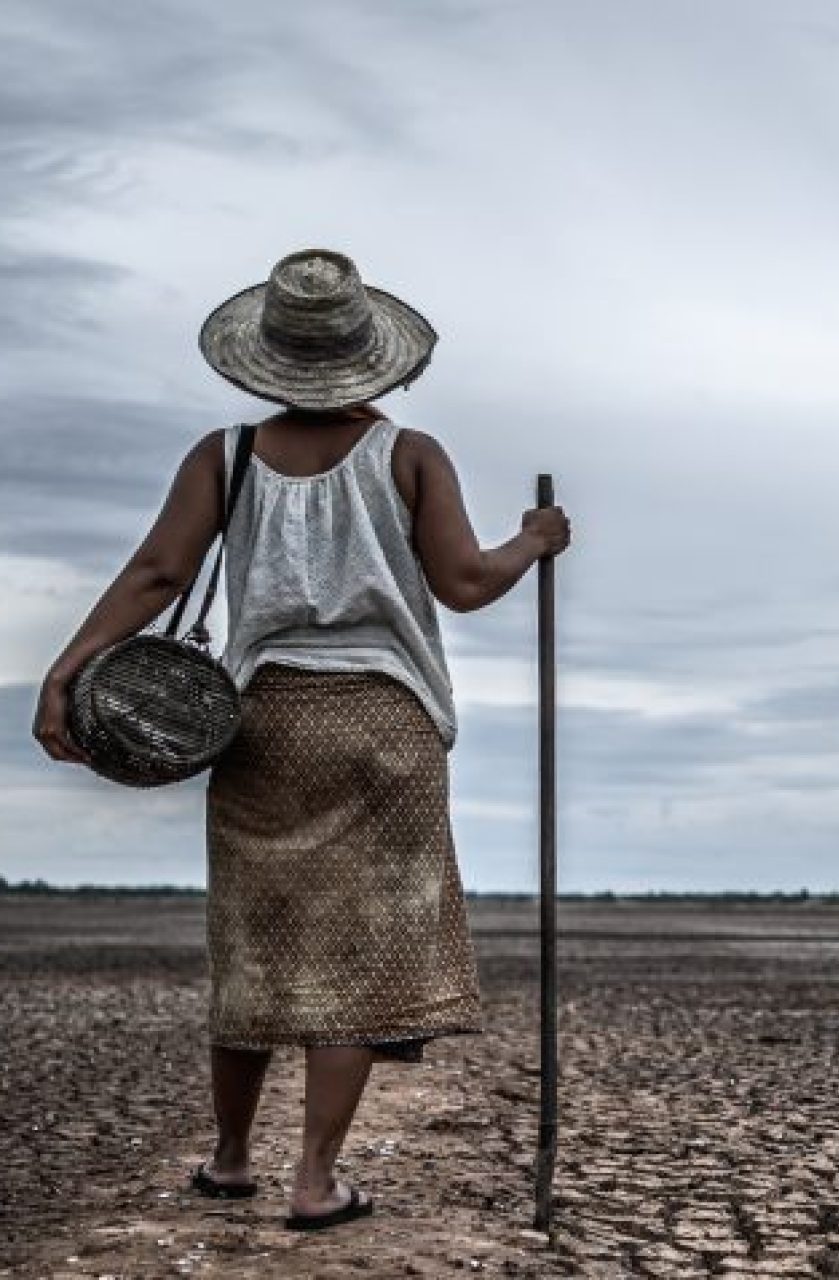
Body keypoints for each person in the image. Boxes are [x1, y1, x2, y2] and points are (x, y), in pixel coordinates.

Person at [31, 248, 571, 1231]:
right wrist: (531, 544)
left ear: (268, 359)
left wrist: (69, 666)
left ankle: (231, 1158)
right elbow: (463, 581)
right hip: (386, 723)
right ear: (373, 358)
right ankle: (316, 1179)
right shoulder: (409, 454)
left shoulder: (225, 455)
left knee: (254, 940)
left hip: (264, 718)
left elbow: (158, 572)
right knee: (360, 956)